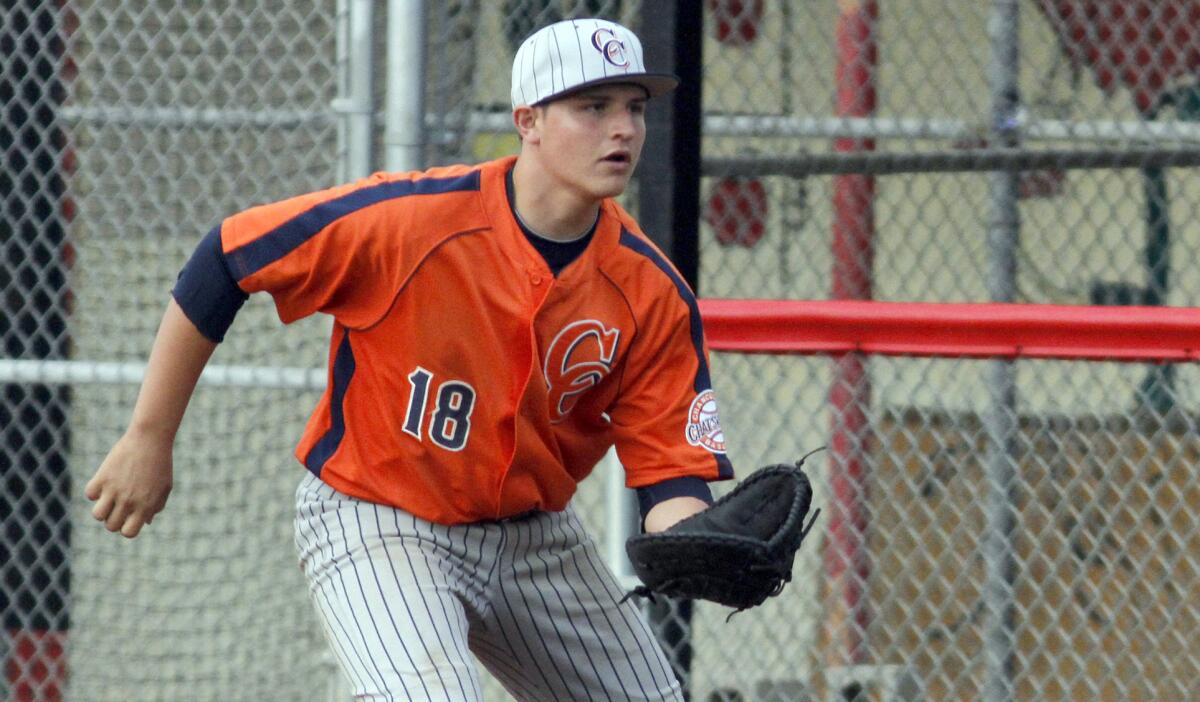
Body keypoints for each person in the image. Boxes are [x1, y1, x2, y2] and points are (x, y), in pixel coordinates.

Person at [85, 17, 734, 701]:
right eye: (592, 106)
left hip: (533, 539)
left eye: (635, 107)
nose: (624, 129)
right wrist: (148, 437)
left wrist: (698, 540)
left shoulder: (651, 290)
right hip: (381, 518)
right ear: (528, 120)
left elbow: (670, 479)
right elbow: (226, 258)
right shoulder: (414, 220)